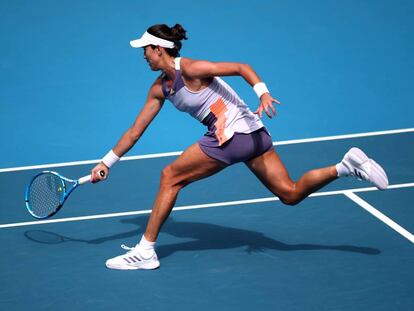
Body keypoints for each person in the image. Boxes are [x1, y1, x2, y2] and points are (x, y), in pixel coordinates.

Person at [90, 24, 389, 270]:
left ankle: (146, 251)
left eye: (145, 49)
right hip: (254, 135)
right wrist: (107, 162)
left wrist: (263, 94)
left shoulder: (192, 68)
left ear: (158, 49)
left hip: (232, 135)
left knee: (170, 176)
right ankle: (346, 166)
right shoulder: (160, 88)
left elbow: (241, 67)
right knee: (290, 193)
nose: (143, 55)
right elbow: (134, 131)